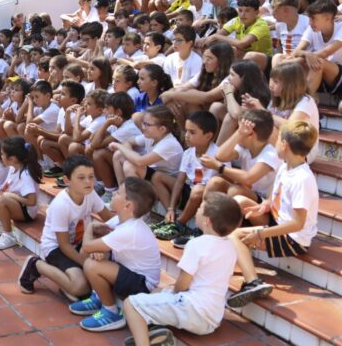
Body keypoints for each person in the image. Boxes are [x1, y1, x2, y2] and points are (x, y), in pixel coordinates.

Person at [123, 193, 243, 346]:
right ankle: (155, 336)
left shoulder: (197, 244)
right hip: (212, 319)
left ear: (207, 221)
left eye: (200, 208)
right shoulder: (230, 247)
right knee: (158, 293)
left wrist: (174, 289)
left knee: (131, 304)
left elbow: (181, 286)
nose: (197, 211)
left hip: (192, 310)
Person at [226, 120, 319, 308]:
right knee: (240, 203)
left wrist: (260, 234)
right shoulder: (286, 166)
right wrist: (266, 205)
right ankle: (230, 256)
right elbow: (277, 195)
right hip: (277, 221)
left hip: (292, 238)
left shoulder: (302, 179)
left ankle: (252, 281)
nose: (273, 144)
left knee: (235, 235)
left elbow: (297, 224)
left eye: (276, 141)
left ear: (284, 145)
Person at [69, 177, 160, 332]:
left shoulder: (130, 230)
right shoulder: (121, 220)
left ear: (128, 205)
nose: (113, 194)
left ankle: (111, 313)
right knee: (96, 255)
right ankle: (98, 296)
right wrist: (98, 249)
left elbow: (86, 246)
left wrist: (90, 227)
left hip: (143, 285)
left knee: (91, 264)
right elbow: (97, 241)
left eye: (118, 193)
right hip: (130, 272)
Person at [17, 155, 113, 298]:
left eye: (91, 177)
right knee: (81, 287)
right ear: (67, 180)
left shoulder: (90, 193)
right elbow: (64, 246)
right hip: (56, 248)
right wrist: (86, 264)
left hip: (78, 242)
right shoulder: (61, 204)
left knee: (103, 254)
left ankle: (67, 281)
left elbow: (110, 219)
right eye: (81, 178)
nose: (88, 182)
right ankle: (36, 265)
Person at [150, 111, 219, 243]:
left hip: (207, 198)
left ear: (208, 136)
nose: (186, 136)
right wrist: (171, 208)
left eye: (192, 132)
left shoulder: (218, 154)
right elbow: (179, 182)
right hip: (191, 191)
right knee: (157, 176)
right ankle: (170, 217)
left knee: (198, 190)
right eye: (186, 131)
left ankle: (179, 225)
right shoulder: (188, 153)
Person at [203, 0, 271, 57]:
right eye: (240, 10)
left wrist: (216, 36)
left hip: (263, 59)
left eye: (247, 11)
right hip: (243, 55)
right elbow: (218, 35)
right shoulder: (237, 20)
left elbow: (241, 44)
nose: (242, 14)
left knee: (248, 54)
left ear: (257, 12)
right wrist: (202, 42)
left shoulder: (261, 25)